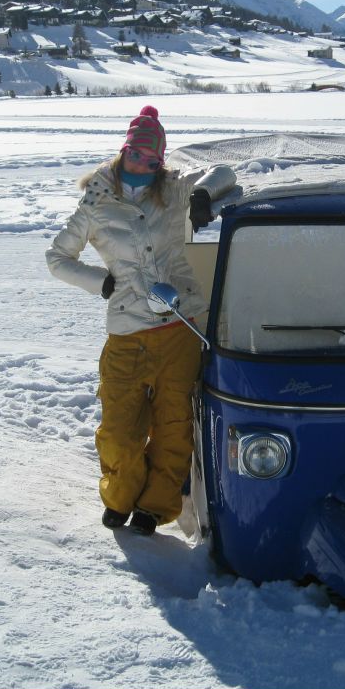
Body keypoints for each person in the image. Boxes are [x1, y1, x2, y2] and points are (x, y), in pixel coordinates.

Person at [45, 106, 236, 535]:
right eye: (136, 155)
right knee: (119, 431)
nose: (142, 165)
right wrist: (101, 282)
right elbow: (57, 258)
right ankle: (120, 497)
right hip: (128, 331)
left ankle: (155, 507)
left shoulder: (173, 190)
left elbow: (225, 172)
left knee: (173, 427)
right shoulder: (95, 203)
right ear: (124, 150)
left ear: (160, 162)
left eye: (152, 160)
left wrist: (205, 194)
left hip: (180, 327)